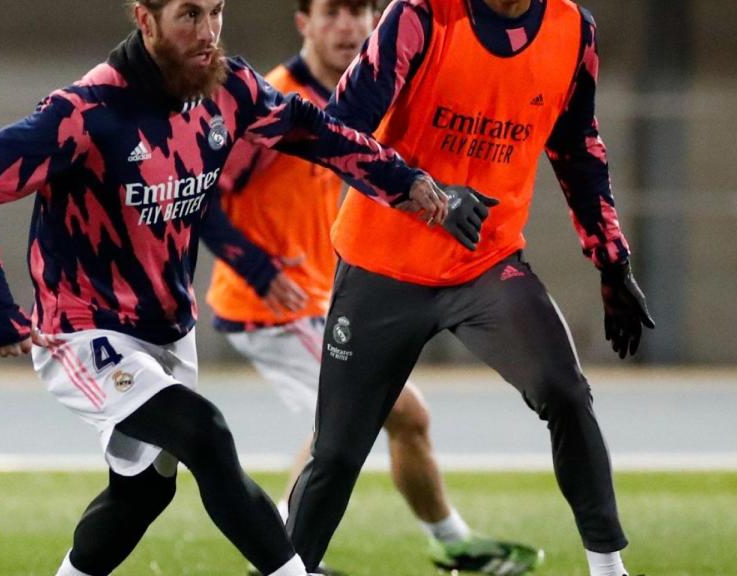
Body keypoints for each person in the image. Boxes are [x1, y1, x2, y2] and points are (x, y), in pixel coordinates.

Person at [0, 1, 450, 575]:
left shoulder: (227, 88)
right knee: (204, 434)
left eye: (216, 12)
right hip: (85, 331)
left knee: (143, 496)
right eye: (188, 15)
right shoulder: (85, 111)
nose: (208, 33)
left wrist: (400, 179)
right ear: (145, 19)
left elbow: (312, 130)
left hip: (167, 330)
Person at [281, 1, 655, 576]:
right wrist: (419, 188)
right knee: (334, 453)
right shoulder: (420, 14)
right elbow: (337, 133)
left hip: (484, 263)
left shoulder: (572, 30)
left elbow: (577, 149)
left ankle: (609, 570)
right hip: (383, 264)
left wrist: (611, 260)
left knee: (565, 391)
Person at [200, 1, 542, 574]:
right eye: (332, 12)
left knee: (403, 419)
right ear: (303, 23)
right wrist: (259, 269)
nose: (350, 26)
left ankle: (451, 542)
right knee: (350, 420)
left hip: (316, 299)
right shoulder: (276, 102)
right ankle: (284, 560)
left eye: (360, 10)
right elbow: (202, 193)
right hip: (269, 306)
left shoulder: (367, 98)